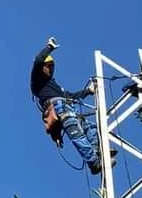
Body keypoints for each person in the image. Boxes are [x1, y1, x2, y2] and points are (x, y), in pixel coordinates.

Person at [29, 36, 102, 175]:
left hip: (67, 107)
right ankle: (93, 162)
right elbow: (38, 61)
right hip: (58, 109)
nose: (50, 69)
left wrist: (88, 91)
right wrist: (49, 47)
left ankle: (97, 153)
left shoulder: (55, 86)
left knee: (91, 128)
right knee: (77, 133)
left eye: (52, 66)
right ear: (42, 67)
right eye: (48, 66)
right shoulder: (37, 82)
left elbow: (71, 96)